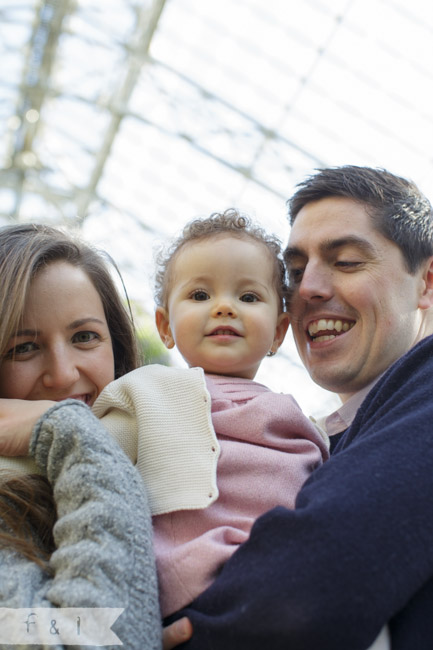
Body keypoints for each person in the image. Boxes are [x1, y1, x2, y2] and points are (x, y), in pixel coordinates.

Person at [162, 166, 433, 650]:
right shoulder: (337, 438)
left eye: (347, 261)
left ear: (427, 282)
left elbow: (305, 591)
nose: (306, 288)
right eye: (294, 271)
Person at [91, 209, 329, 619]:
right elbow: (86, 466)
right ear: (165, 326)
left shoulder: (301, 420)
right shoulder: (145, 393)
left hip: (279, 583)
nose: (224, 307)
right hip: (177, 590)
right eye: (200, 295)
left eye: (248, 297)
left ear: (278, 330)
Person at [0, 224, 161, 649]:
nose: (64, 373)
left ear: (118, 348)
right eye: (23, 348)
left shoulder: (165, 455)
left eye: (84, 337)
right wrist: (69, 431)